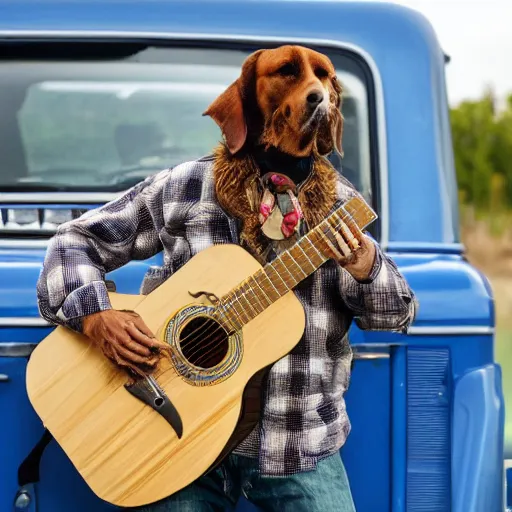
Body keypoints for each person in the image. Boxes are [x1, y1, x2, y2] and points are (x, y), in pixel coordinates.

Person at [36, 46, 417, 511]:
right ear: (245, 99)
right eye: (288, 74)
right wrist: (95, 316)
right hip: (173, 435)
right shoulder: (185, 188)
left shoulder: (339, 208)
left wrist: (364, 265)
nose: (313, 88)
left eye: (323, 79)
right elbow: (74, 241)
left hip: (297, 442)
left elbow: (396, 313)